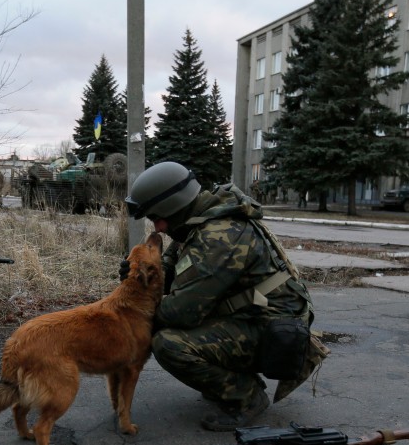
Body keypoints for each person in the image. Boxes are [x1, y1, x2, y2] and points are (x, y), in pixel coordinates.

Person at [122, 161, 327, 430]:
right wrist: (141, 274)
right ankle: (231, 379)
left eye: (156, 217)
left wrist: (131, 310)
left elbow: (179, 312)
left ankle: (246, 397)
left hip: (271, 330)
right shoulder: (197, 222)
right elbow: (170, 269)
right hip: (249, 315)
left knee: (168, 344)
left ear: (174, 207)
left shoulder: (219, 236)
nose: (158, 228)